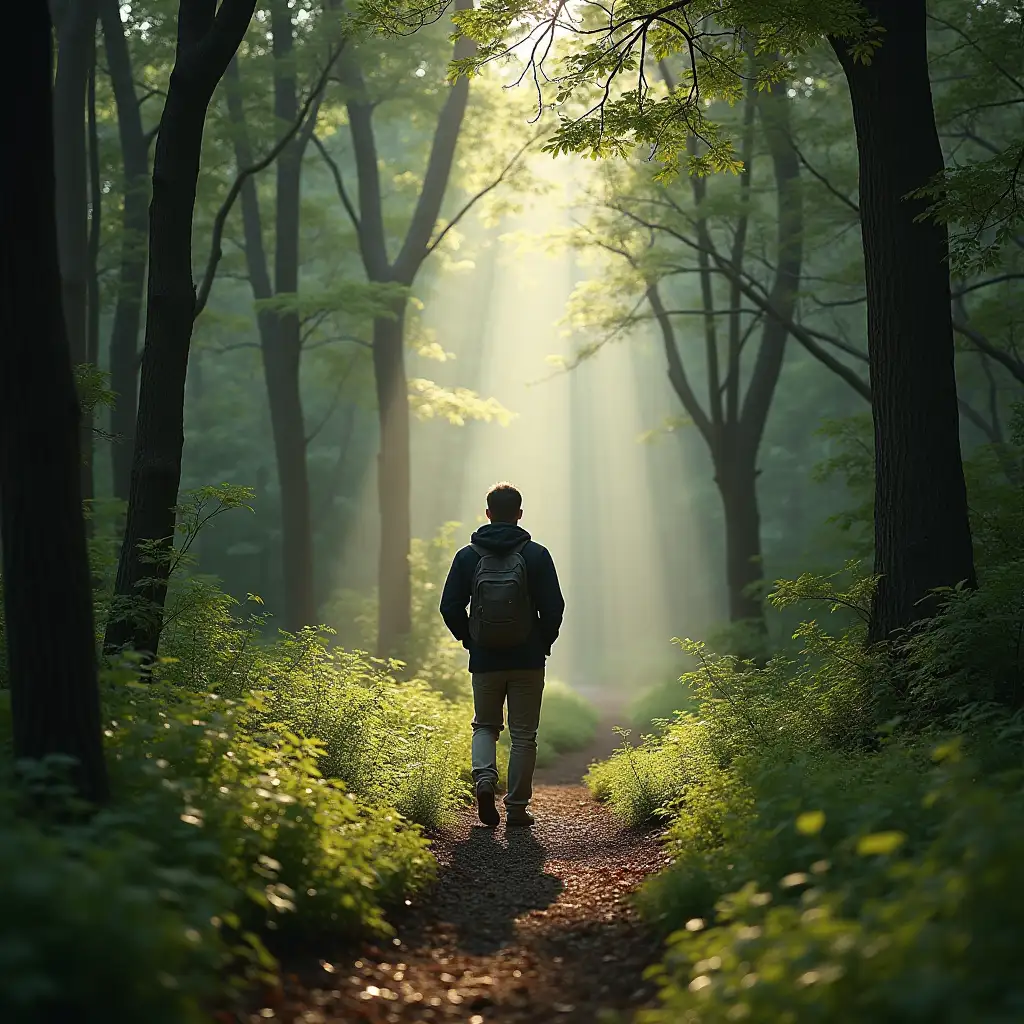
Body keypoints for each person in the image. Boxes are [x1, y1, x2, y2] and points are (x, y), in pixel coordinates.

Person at [440, 482, 565, 827]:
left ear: (488, 514)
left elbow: (449, 606)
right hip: (527, 660)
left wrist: (470, 638)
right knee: (524, 735)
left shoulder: (468, 557)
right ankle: (517, 809)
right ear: (519, 514)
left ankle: (484, 781)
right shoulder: (536, 555)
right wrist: (543, 641)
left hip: (485, 660)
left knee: (485, 726)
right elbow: (554, 608)